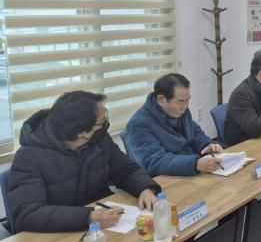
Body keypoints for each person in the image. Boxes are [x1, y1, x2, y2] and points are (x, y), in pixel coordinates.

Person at [9, 91, 160, 233]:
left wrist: (144, 188)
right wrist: (88, 217)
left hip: (106, 225)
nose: (105, 124)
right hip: (59, 234)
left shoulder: (99, 140)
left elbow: (125, 169)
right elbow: (27, 214)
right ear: (81, 132)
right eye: (101, 121)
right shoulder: (28, 157)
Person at [125, 74, 224, 176]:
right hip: (166, 178)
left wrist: (207, 145)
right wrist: (195, 164)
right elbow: (154, 162)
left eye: (188, 100)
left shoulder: (180, 110)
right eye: (181, 101)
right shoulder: (138, 125)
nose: (185, 106)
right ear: (161, 100)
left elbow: (194, 132)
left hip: (191, 170)